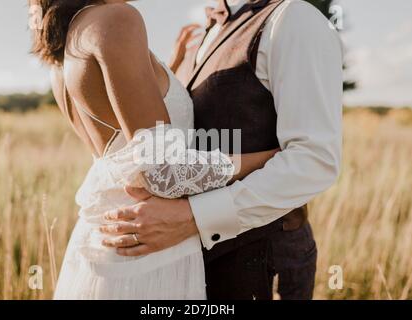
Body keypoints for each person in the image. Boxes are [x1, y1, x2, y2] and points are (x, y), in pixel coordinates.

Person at [30, 0, 278, 299]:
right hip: (147, 250)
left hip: (106, 243)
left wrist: (168, 69)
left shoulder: (69, 38)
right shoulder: (116, 18)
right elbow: (164, 173)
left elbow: (124, 124)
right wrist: (275, 157)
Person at [108, 0, 343, 299]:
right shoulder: (203, 33)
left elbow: (314, 160)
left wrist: (194, 218)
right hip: (191, 261)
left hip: (261, 260)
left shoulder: (293, 18)